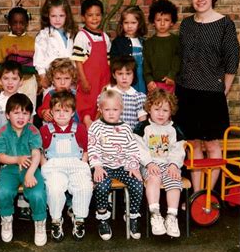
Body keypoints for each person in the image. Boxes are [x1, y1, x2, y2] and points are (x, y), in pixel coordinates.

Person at [175, 0, 240, 193]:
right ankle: (196, 195)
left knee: (212, 145)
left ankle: (208, 197)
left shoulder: (224, 24)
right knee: (192, 146)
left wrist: (223, 91)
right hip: (186, 93)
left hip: (212, 94)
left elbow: (232, 61)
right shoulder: (186, 24)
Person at [0, 93, 47, 247]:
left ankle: (40, 221)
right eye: (16, 112)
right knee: (3, 192)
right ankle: (6, 218)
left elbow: (36, 153)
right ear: (8, 115)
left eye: (25, 113)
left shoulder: (33, 130)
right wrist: (17, 159)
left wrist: (30, 173)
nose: (21, 117)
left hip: (30, 167)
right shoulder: (1, 131)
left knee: (37, 193)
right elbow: (0, 156)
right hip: (9, 168)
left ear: (30, 116)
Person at [89, 90, 143, 241]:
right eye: (107, 110)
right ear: (100, 109)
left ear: (121, 109)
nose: (111, 113)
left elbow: (133, 149)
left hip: (122, 166)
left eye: (115, 110)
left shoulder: (126, 128)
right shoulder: (95, 127)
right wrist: (97, 166)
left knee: (137, 183)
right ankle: (102, 218)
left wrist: (133, 166)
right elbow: (93, 148)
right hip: (103, 165)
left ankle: (132, 216)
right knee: (101, 185)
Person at [40, 91, 92, 242]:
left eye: (66, 111)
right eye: (57, 110)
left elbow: (86, 149)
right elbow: (41, 151)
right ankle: (56, 220)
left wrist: (83, 162)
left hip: (76, 164)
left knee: (84, 187)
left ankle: (79, 218)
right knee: (55, 188)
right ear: (51, 111)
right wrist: (45, 165)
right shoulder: (45, 130)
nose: (61, 114)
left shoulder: (80, 128)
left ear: (73, 112)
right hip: (54, 166)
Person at [134, 89, 185, 237]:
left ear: (171, 111)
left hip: (169, 164)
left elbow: (178, 149)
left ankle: (171, 216)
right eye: (157, 109)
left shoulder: (174, 129)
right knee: (154, 178)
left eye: (165, 110)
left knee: (175, 179)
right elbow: (139, 148)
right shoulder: (142, 127)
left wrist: (174, 164)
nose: (161, 113)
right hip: (149, 164)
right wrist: (149, 163)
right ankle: (155, 214)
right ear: (149, 108)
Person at [72, 0, 111, 129]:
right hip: (88, 81)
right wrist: (83, 80)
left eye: (97, 15)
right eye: (90, 15)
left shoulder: (104, 36)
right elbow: (78, 61)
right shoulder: (82, 36)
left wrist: (108, 82)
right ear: (83, 17)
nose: (94, 18)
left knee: (100, 108)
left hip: (103, 80)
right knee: (87, 109)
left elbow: (108, 60)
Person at [0, 5, 37, 107]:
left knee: (28, 109)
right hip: (9, 85)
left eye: (22, 23)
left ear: (26, 24)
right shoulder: (3, 42)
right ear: (9, 24)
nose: (18, 26)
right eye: (15, 23)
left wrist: (39, 82)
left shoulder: (32, 42)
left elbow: (38, 64)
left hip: (29, 83)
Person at [34, 0, 77, 90]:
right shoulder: (44, 35)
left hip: (69, 80)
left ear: (67, 16)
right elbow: (39, 58)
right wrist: (42, 76)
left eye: (61, 16)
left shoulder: (72, 33)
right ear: (47, 16)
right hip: (52, 80)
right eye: (53, 16)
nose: (57, 20)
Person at [143, 0, 180, 94]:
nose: (162, 24)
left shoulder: (176, 41)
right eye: (158, 20)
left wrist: (172, 76)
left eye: (166, 20)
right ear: (153, 22)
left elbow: (178, 60)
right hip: (153, 85)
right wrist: (149, 80)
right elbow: (146, 64)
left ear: (172, 22)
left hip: (172, 83)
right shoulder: (148, 43)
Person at [101, 55, 147, 130]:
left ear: (133, 75)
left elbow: (143, 124)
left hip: (130, 137)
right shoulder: (107, 92)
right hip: (109, 135)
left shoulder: (138, 97)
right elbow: (100, 117)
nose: (124, 78)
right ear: (114, 75)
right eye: (120, 74)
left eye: (128, 73)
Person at [111, 5, 148, 94]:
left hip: (141, 78)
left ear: (139, 23)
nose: (129, 26)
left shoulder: (143, 41)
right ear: (122, 24)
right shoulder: (118, 42)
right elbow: (114, 62)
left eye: (133, 23)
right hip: (126, 78)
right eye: (126, 23)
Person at [37, 57, 78, 124]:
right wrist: (44, 113)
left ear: (72, 79)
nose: (62, 83)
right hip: (54, 130)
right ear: (52, 80)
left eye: (67, 78)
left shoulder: (76, 95)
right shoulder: (50, 95)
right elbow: (41, 109)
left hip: (73, 131)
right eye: (58, 78)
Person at [0, 60, 23, 131]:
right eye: (6, 78)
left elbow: (30, 125)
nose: (10, 82)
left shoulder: (26, 101)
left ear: (21, 82)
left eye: (14, 79)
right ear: (0, 81)